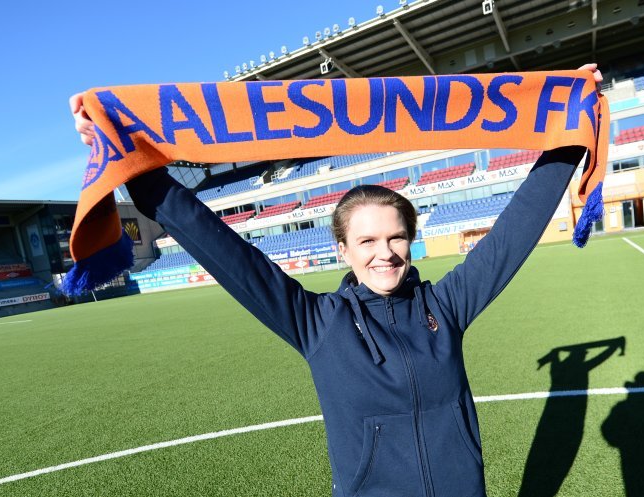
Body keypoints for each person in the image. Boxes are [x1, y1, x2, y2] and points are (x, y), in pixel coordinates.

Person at [71, 66, 603, 497]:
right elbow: (220, 246)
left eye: (395, 238)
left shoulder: (448, 305)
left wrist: (568, 127)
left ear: (411, 240)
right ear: (343, 250)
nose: (384, 254)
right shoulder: (317, 323)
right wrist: (129, 163)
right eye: (367, 242)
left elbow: (514, 231)